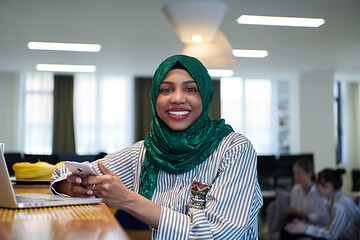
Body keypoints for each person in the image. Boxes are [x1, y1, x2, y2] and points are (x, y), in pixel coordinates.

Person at [50, 54, 263, 239]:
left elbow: (218, 234)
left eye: (190, 89)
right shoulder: (146, 152)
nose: (177, 98)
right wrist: (71, 186)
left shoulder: (234, 148)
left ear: (205, 96)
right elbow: (63, 172)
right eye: (166, 89)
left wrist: (129, 201)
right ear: (155, 98)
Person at [285, 168, 360, 240]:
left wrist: (305, 228)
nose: (316, 186)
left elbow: (332, 235)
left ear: (328, 185)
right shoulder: (332, 202)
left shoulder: (339, 205)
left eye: (318, 183)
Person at [280, 159, 328, 240]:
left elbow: (320, 218)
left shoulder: (319, 192)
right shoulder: (295, 190)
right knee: (289, 221)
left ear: (309, 174)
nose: (295, 177)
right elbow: (294, 212)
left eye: (299, 174)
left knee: (290, 225)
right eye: (294, 174)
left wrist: (302, 214)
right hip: (299, 223)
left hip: (314, 227)